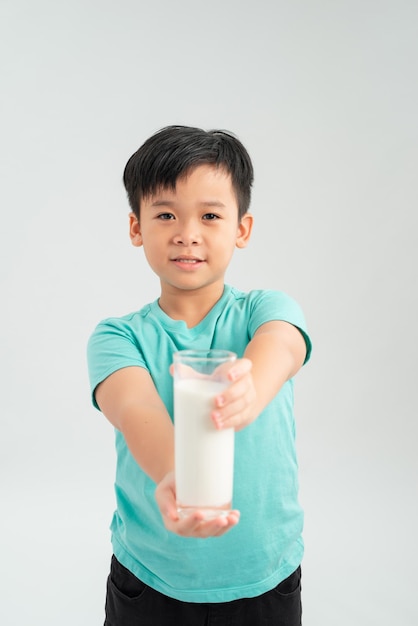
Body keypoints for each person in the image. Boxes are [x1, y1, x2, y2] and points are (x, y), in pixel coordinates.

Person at [87, 125, 312, 626]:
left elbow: (283, 343)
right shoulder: (116, 337)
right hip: (150, 582)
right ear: (136, 227)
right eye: (165, 214)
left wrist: (252, 381)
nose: (187, 232)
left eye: (210, 215)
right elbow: (135, 408)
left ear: (242, 229)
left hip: (265, 576)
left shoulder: (265, 310)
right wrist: (176, 476)